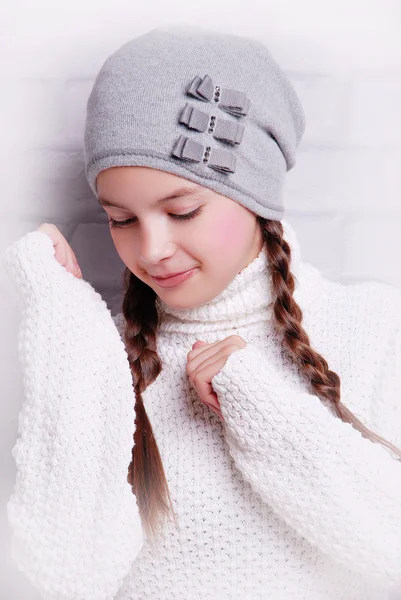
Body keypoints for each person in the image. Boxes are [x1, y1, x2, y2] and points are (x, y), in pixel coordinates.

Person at [2, 24, 401, 600]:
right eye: (121, 219)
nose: (152, 248)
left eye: (183, 210)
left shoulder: (376, 327)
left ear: (257, 197)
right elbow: (61, 580)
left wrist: (263, 412)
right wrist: (64, 336)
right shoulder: (103, 358)